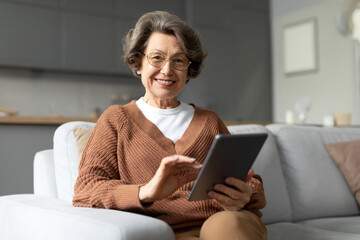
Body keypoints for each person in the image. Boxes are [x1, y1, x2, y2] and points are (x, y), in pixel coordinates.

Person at [73, 11, 267, 240]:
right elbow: (85, 192)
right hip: (163, 231)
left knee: (228, 224)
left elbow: (251, 180)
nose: (167, 70)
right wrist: (146, 191)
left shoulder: (209, 121)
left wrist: (246, 194)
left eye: (178, 60)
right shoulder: (116, 119)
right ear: (138, 63)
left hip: (226, 222)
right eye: (157, 57)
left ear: (188, 70)